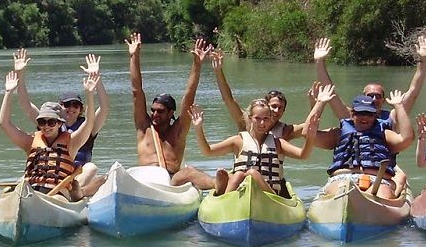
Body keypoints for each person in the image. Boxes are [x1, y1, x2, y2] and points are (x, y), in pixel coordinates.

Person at [189, 85, 334, 196]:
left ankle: (223, 189)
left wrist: (311, 137)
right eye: (257, 119)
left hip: (270, 195)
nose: (262, 123)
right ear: (250, 118)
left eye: (265, 119)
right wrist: (198, 128)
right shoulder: (238, 140)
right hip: (241, 189)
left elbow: (304, 155)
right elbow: (207, 151)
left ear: (271, 119)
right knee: (239, 174)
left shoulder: (277, 142)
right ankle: (224, 195)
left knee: (252, 173)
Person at [14, 50, 111, 197]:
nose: (71, 109)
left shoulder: (87, 126)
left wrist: (96, 79)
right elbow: (26, 105)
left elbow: (104, 108)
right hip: (51, 172)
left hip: (77, 173)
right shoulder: (49, 124)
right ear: (60, 107)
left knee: (91, 167)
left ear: (81, 109)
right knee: (23, 179)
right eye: (67, 105)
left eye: (75, 105)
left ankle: (80, 192)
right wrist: (20, 74)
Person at [0, 67, 99, 198]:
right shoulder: (30, 142)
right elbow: (3, 123)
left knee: (57, 198)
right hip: (32, 192)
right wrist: (8, 92)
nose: (46, 126)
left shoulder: (72, 142)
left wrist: (90, 94)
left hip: (58, 194)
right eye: (42, 122)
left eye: (51, 122)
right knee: (15, 194)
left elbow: (90, 122)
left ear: (59, 123)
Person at [128, 34, 212, 188]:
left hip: (171, 181)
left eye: (160, 111)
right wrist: (134, 56)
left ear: (171, 113)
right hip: (145, 180)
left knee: (190, 172)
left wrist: (197, 64)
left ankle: (220, 186)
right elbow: (136, 91)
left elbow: (188, 97)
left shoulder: (178, 131)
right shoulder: (144, 127)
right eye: (153, 110)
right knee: (112, 174)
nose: (154, 114)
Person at [310, 90, 414, 199]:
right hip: (343, 178)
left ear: (375, 116)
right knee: (336, 192)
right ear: (352, 114)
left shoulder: (385, 134)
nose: (365, 117)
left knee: (384, 194)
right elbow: (309, 135)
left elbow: (407, 139)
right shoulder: (338, 133)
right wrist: (319, 104)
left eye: (369, 114)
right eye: (360, 113)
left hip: (378, 181)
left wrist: (399, 106)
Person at [209, 46, 313, 140]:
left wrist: (316, 103)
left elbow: (311, 126)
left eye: (280, 108)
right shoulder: (247, 122)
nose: (276, 111)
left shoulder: (286, 131)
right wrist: (218, 71)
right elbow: (228, 100)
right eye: (274, 106)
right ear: (266, 106)